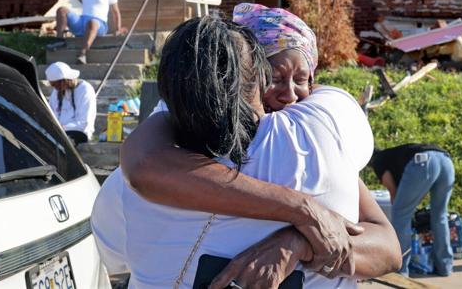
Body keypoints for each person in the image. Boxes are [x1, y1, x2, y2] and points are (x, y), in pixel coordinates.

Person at [92, 15, 401, 288]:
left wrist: (297, 242)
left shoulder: (127, 183)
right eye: (277, 77)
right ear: (259, 78)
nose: (291, 94)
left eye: (303, 79)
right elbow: (387, 248)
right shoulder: (319, 138)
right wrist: (303, 223)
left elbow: (120, 257)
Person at [368, 144, 455, 277]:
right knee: (440, 216)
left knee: (400, 215)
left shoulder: (378, 161)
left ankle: (400, 269)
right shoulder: (392, 154)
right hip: (446, 160)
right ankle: (445, 266)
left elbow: (394, 194)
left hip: (423, 162)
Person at [55, 0, 127, 64]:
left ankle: (82, 54)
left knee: (92, 22)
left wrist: (118, 29)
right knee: (62, 10)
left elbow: (116, 12)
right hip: (81, 22)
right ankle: (59, 41)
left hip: (99, 24)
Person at [45, 61, 96, 145]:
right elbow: (52, 113)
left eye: (55, 85)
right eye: (52, 85)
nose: (55, 88)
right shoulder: (56, 91)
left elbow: (84, 122)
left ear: (64, 80)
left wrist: (62, 128)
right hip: (60, 131)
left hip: (78, 131)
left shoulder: (85, 89)